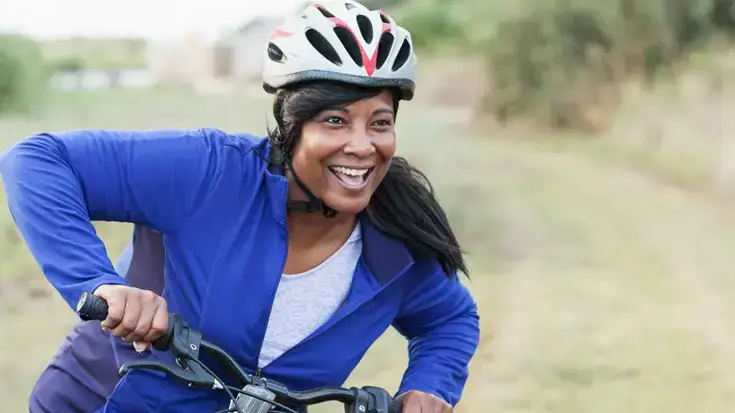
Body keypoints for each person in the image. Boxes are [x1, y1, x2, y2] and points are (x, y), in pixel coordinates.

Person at [1, 1, 480, 412]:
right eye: (335, 120)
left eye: (380, 123)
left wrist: (429, 386)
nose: (362, 145)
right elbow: (38, 160)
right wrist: (100, 282)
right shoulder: (211, 173)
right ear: (291, 125)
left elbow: (448, 318)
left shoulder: (396, 246)